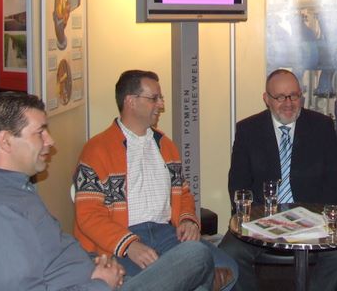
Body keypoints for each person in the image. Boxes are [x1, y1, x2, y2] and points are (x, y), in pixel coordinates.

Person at [0, 92, 215, 290]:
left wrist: (96, 264)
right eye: (40, 132)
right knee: (196, 255)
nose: (50, 141)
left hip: (94, 277)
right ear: (5, 141)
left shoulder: (13, 189)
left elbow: (51, 256)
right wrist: (100, 283)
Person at [73, 70, 237, 289]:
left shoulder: (165, 145)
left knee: (229, 267)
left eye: (161, 98)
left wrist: (188, 220)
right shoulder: (97, 150)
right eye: (154, 98)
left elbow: (183, 194)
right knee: (190, 274)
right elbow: (88, 216)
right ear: (130, 101)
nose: (161, 104)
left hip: (167, 233)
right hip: (120, 239)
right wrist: (129, 245)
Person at [218, 68, 337, 291]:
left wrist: (316, 218)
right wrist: (258, 219)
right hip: (262, 220)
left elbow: (336, 181)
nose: (288, 103)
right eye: (280, 97)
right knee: (229, 253)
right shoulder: (248, 130)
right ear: (266, 99)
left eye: (294, 96)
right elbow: (238, 184)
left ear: (301, 95)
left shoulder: (322, 126)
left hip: (313, 219)